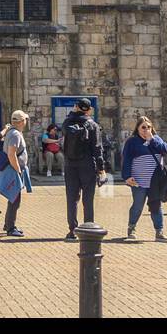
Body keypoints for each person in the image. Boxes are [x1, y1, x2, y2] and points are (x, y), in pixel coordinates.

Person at [121, 115, 167, 242]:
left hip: (155, 182)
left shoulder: (156, 139)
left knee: (156, 206)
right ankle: (131, 229)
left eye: (148, 127)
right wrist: (126, 176)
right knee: (137, 205)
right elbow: (126, 160)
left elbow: (165, 150)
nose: (146, 129)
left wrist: (151, 139)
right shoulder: (132, 142)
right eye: (143, 127)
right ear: (137, 128)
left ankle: (159, 232)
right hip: (138, 181)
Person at [61, 98, 104, 240]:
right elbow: (97, 148)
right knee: (88, 198)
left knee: (72, 198)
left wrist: (73, 113)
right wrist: (101, 168)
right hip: (87, 165)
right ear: (89, 109)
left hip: (70, 164)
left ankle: (72, 230)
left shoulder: (67, 123)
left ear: (76, 107)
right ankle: (88, 227)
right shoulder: (92, 125)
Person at [0, 110, 30, 236]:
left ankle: (8, 224)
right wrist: (18, 169)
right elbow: (11, 153)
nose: (26, 121)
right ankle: (10, 228)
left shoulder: (13, 132)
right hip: (12, 169)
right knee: (15, 199)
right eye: (25, 119)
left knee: (14, 198)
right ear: (20, 122)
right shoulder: (15, 134)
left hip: (12, 168)